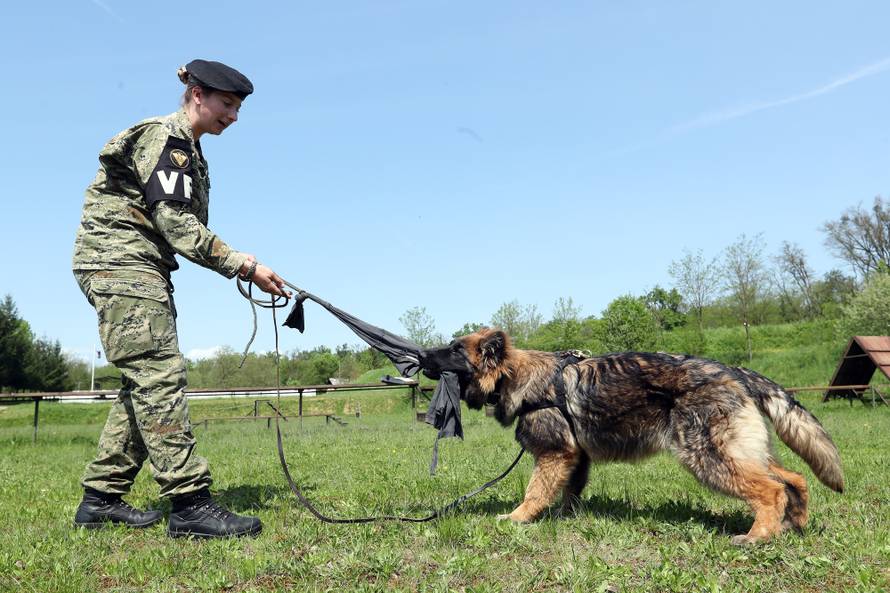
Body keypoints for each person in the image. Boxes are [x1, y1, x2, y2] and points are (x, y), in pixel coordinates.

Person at [71, 59, 288, 538]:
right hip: (121, 264)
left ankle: (101, 499)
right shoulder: (167, 140)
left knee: (142, 383)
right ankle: (190, 505)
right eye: (226, 104)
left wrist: (241, 264)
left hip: (134, 266)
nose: (233, 117)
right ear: (197, 95)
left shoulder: (187, 148)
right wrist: (245, 265)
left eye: (237, 108)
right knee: (159, 375)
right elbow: (176, 224)